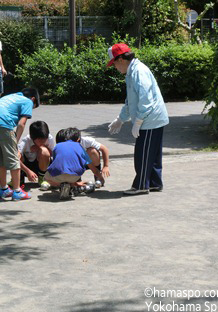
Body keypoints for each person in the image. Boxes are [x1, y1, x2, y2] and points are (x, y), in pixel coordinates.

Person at [107, 43, 169, 195]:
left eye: (114, 63)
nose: (115, 67)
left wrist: (139, 122)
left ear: (121, 59)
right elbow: (131, 101)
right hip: (153, 118)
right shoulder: (131, 72)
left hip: (150, 119)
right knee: (152, 153)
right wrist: (120, 119)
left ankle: (141, 185)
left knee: (143, 153)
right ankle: (154, 182)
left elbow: (145, 100)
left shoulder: (138, 72)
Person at [0, 88, 40, 201]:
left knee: (0, 158)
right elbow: (21, 124)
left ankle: (3, 189)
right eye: (33, 107)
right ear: (33, 99)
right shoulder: (27, 101)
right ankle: (17, 191)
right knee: (14, 158)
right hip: (3, 124)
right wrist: (16, 142)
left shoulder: (9, 97)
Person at [45, 128, 105, 200]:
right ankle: (72, 184)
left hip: (58, 175)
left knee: (46, 177)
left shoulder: (57, 147)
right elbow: (92, 167)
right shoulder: (80, 147)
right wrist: (100, 178)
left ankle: (63, 185)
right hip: (75, 176)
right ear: (77, 140)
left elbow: (55, 163)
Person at [17, 120, 55, 187]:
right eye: (40, 140)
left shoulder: (49, 138)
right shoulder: (26, 140)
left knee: (44, 151)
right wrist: (27, 171)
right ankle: (19, 178)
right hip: (27, 166)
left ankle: (42, 177)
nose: (43, 141)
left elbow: (53, 155)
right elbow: (15, 157)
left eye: (44, 139)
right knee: (18, 155)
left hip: (42, 165)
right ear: (32, 138)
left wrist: (40, 147)